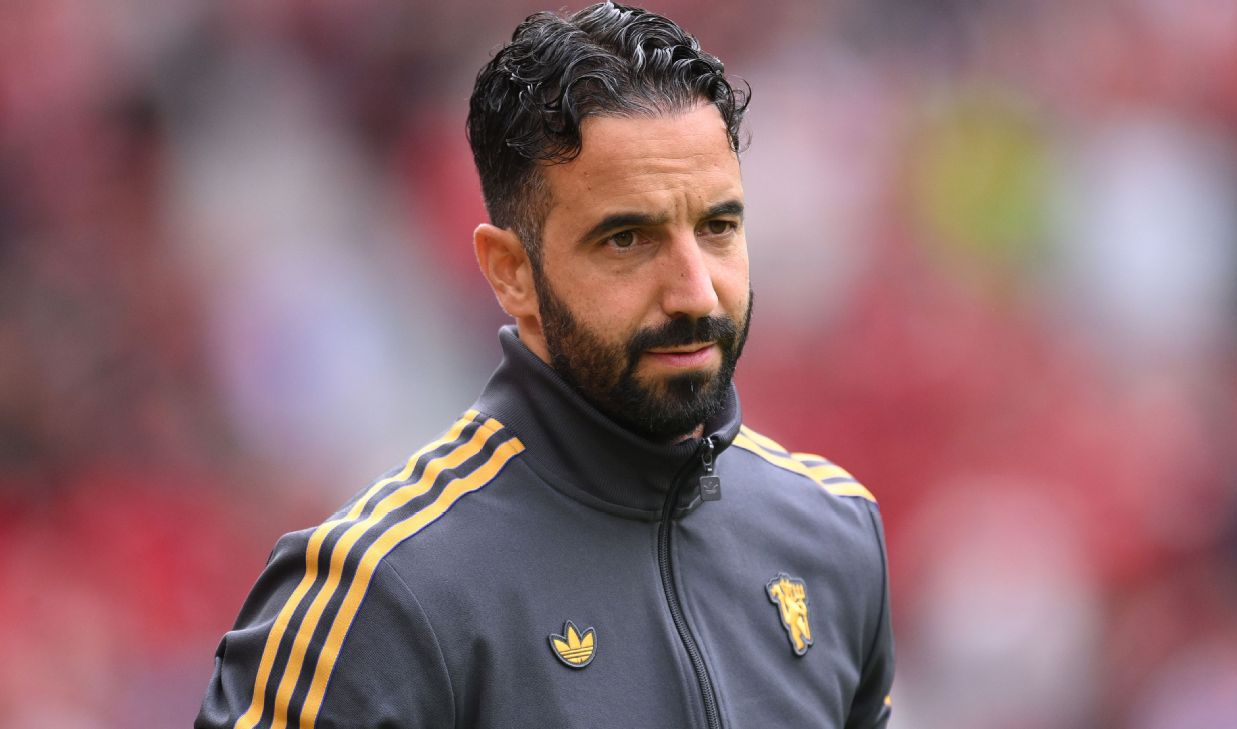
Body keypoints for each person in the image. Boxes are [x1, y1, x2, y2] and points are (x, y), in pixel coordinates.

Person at [196, 3, 894, 727]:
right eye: (627, 239)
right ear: (511, 272)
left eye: (718, 227)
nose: (696, 291)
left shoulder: (834, 534)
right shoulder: (380, 592)